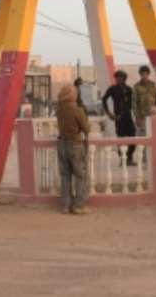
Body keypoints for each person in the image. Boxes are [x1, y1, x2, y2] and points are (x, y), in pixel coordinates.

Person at [55, 84, 91, 214]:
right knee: (80, 176)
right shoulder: (77, 110)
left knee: (65, 176)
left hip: (62, 144)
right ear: (72, 95)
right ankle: (79, 206)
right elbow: (86, 129)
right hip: (75, 145)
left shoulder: (59, 109)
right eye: (75, 92)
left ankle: (66, 205)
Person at [102, 70, 137, 165]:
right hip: (119, 116)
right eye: (117, 77)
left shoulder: (129, 89)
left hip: (128, 115)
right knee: (120, 138)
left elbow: (133, 104)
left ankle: (130, 158)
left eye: (121, 77)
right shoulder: (112, 89)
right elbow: (104, 99)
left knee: (133, 137)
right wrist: (109, 113)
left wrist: (136, 116)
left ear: (124, 78)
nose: (118, 79)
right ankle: (122, 159)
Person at [133, 65, 156, 136]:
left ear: (148, 74)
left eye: (145, 74)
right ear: (140, 74)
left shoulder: (153, 85)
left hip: (153, 114)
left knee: (154, 134)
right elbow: (134, 102)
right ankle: (145, 147)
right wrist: (137, 117)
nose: (144, 76)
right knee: (143, 135)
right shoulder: (136, 86)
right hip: (142, 115)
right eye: (142, 74)